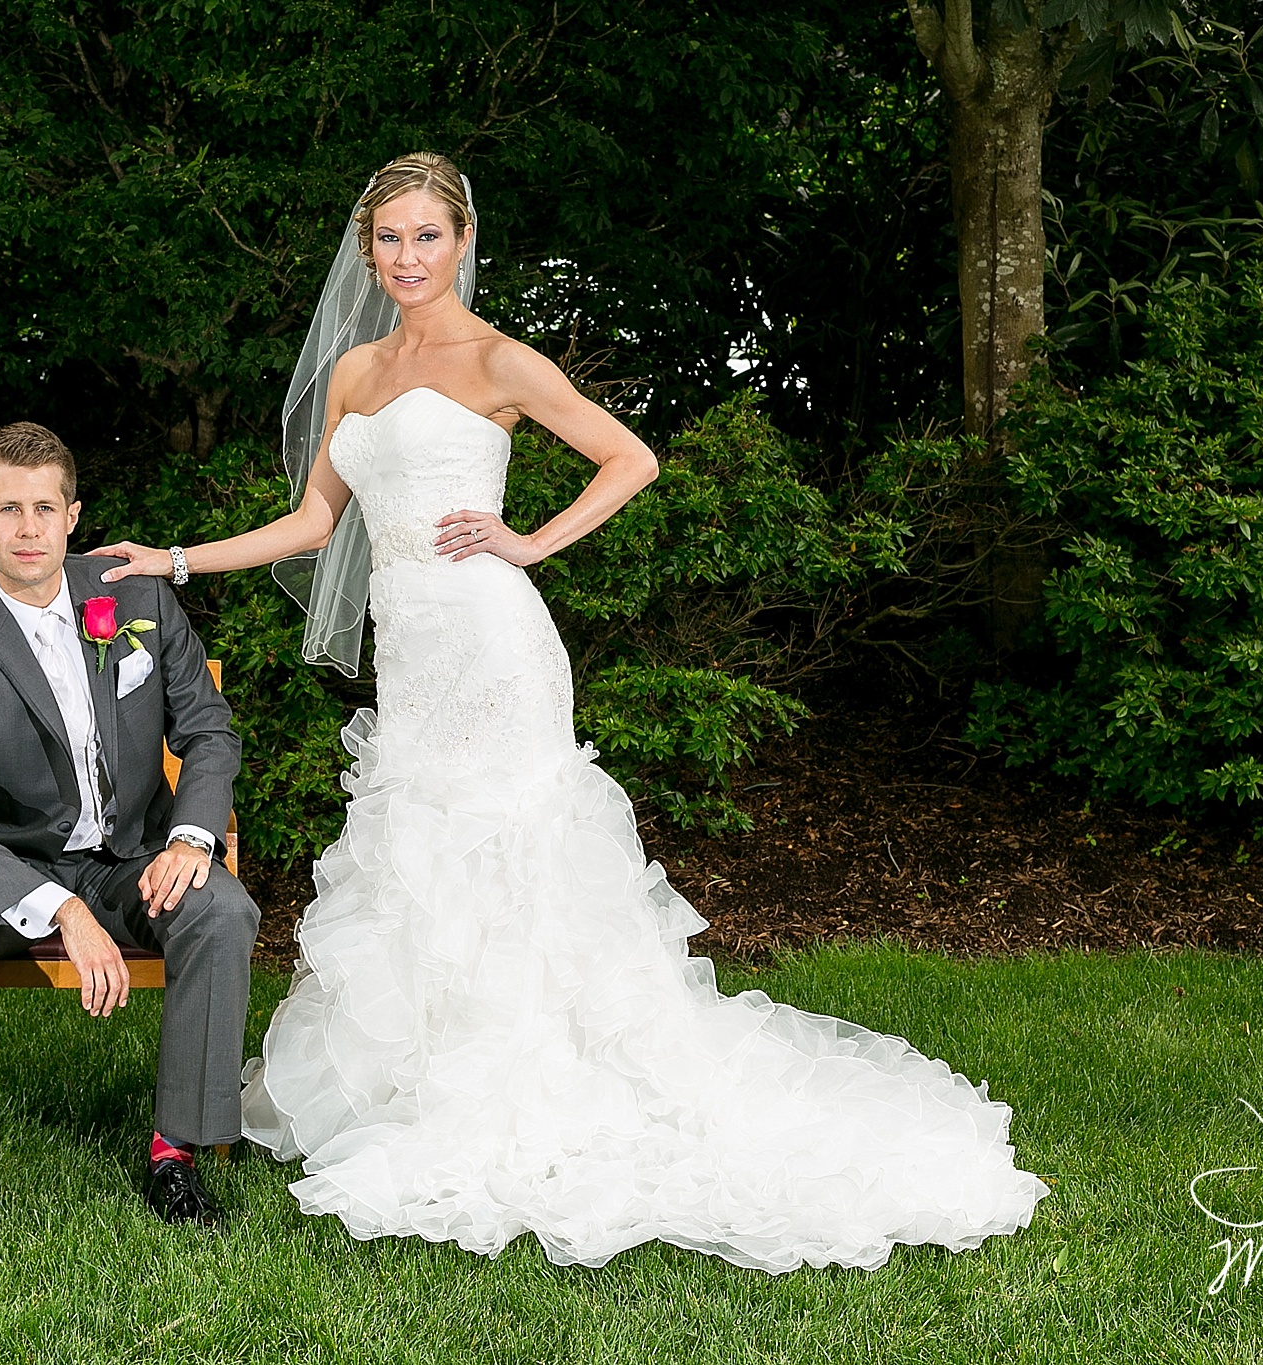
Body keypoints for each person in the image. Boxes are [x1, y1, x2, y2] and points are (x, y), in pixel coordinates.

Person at [92, 153, 1048, 1272]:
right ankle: (426, 1077)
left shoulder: (501, 359)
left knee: (517, 849)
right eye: (388, 240)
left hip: (494, 647)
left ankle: (539, 1086)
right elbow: (312, 522)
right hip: (413, 657)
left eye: (427, 236)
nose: (407, 258)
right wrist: (172, 559)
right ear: (366, 251)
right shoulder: (355, 368)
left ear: (462, 241)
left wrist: (530, 541)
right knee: (423, 851)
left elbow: (629, 458)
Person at [0, 421, 259, 1244]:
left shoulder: (137, 600)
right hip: (9, 869)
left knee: (222, 908)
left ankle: (177, 1153)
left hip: (135, 859)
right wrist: (61, 907)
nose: (28, 528)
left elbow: (209, 732)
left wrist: (191, 838)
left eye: (44, 508)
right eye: (8, 508)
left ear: (73, 515)